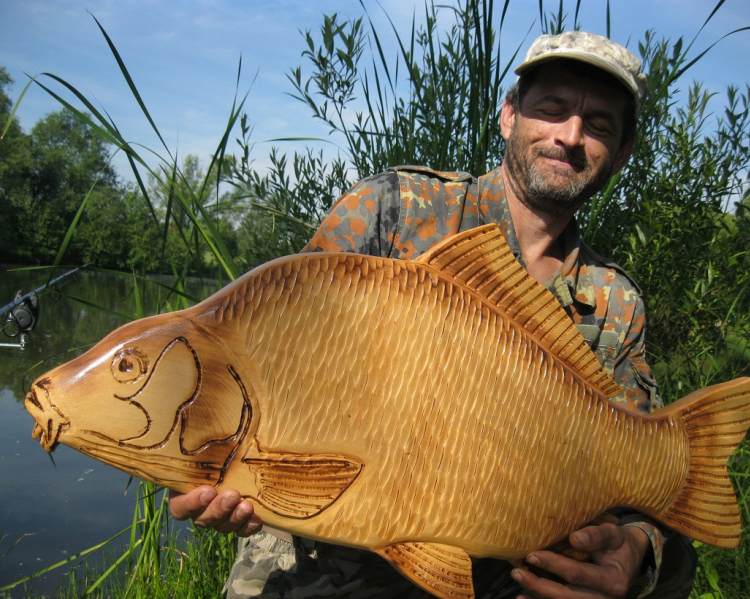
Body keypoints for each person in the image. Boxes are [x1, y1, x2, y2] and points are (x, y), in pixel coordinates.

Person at [170, 31, 697, 598]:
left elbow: (644, 465)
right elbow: (262, 359)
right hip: (328, 566)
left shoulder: (615, 300)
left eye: (598, 125)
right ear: (509, 116)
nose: (569, 135)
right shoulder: (394, 210)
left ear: (622, 153)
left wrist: (638, 545)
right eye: (553, 108)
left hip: (502, 578)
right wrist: (201, 463)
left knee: (675, 570)